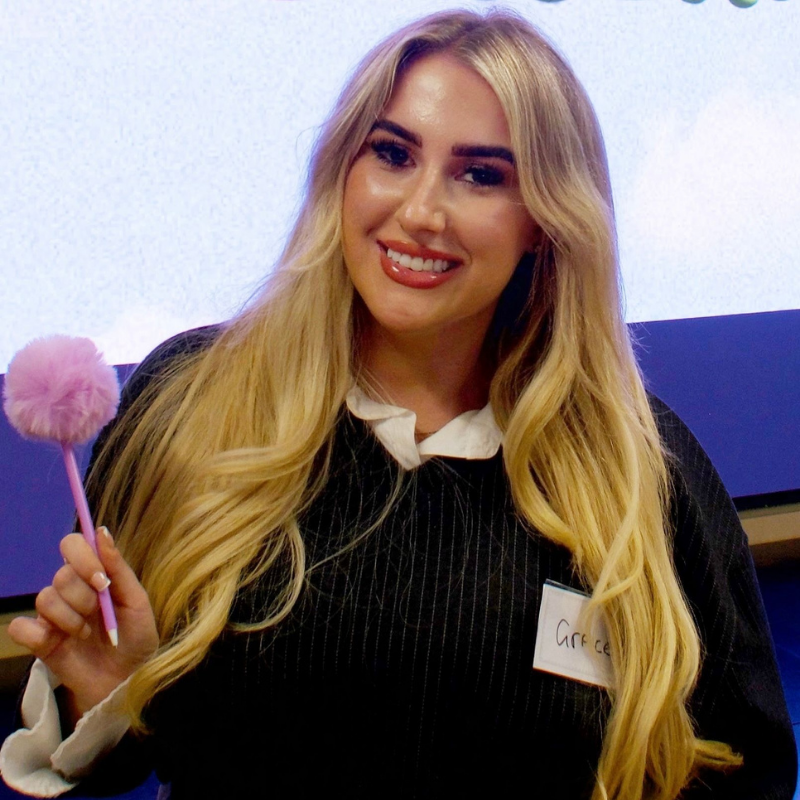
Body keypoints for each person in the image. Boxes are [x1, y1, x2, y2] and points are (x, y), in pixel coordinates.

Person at [1, 9, 796, 800]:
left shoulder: (640, 468)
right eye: (392, 154)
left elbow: (741, 769)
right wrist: (109, 694)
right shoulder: (192, 405)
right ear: (343, 169)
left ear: (544, 221)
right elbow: (131, 750)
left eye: (481, 175)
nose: (419, 212)